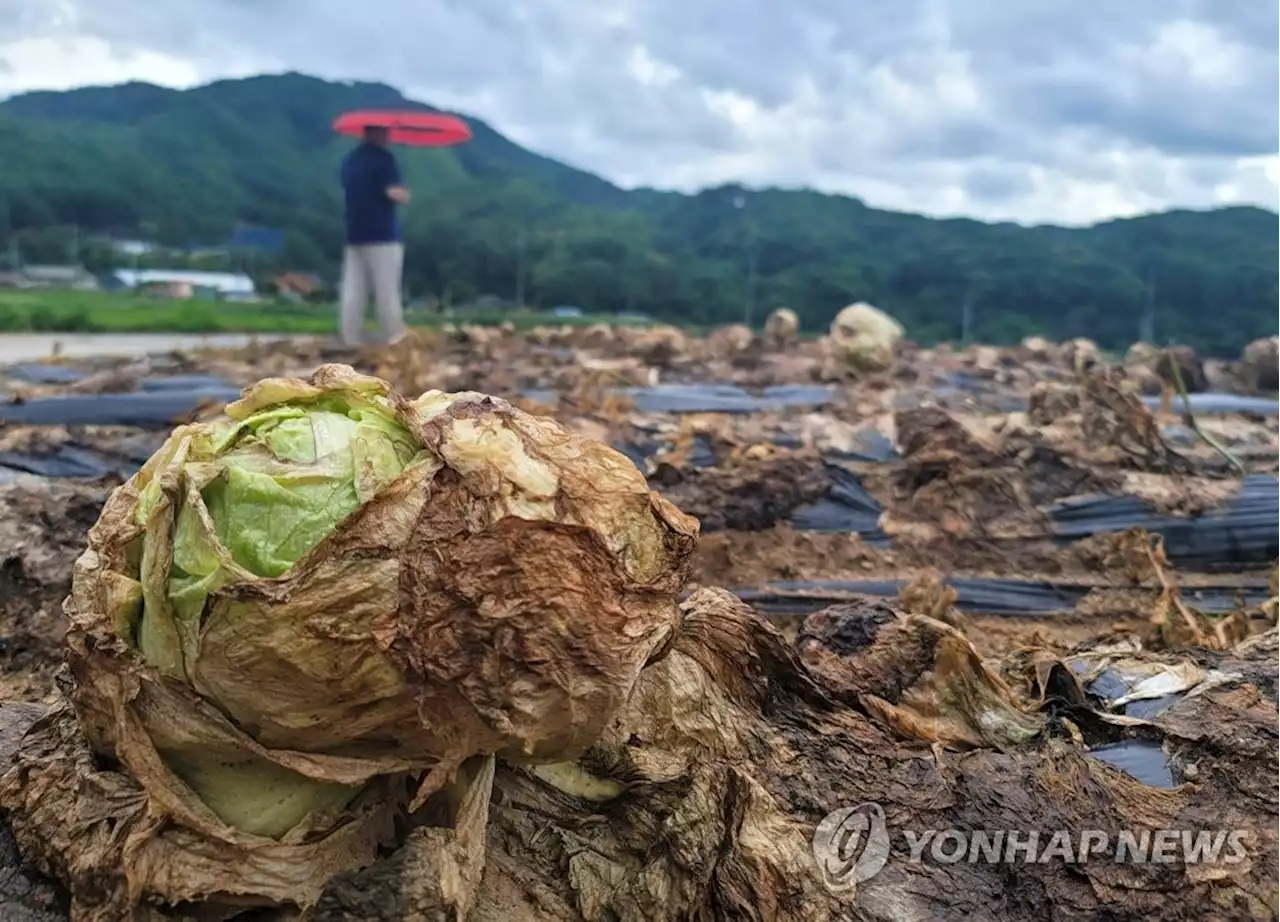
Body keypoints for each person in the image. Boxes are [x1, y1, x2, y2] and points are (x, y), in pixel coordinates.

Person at [339, 124, 411, 346]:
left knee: (353, 290)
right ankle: (394, 338)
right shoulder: (384, 159)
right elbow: (394, 193)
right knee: (387, 290)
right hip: (382, 235)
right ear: (377, 134)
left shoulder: (350, 160)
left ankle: (350, 338)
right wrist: (405, 195)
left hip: (355, 233)